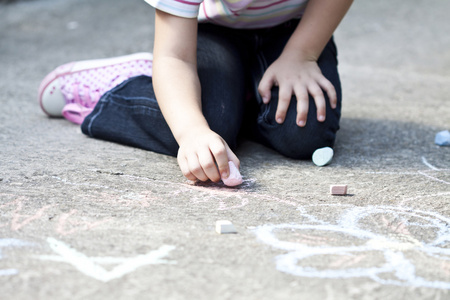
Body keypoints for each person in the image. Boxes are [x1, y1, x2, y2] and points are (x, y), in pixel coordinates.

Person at [38, 0, 353, 184]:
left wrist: (302, 53)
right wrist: (192, 132)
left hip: (294, 29)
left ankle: (235, 94)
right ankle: (120, 90)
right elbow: (175, 56)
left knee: (303, 133)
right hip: (211, 34)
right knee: (209, 130)